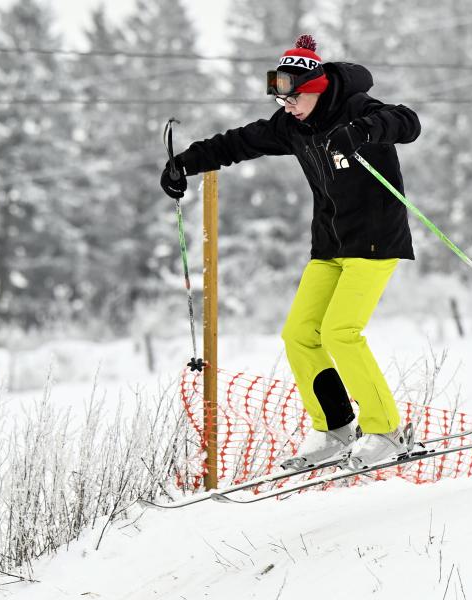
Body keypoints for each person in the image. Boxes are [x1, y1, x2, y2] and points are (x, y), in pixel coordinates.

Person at [160, 34, 421, 469]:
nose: (287, 106)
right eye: (281, 99)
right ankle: (336, 427)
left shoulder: (357, 109)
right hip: (329, 244)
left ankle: (386, 430)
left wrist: (361, 132)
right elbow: (237, 143)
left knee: (341, 332)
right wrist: (184, 163)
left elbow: (408, 122)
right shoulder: (294, 124)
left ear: (316, 87)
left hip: (375, 241)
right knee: (299, 334)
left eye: (293, 97)